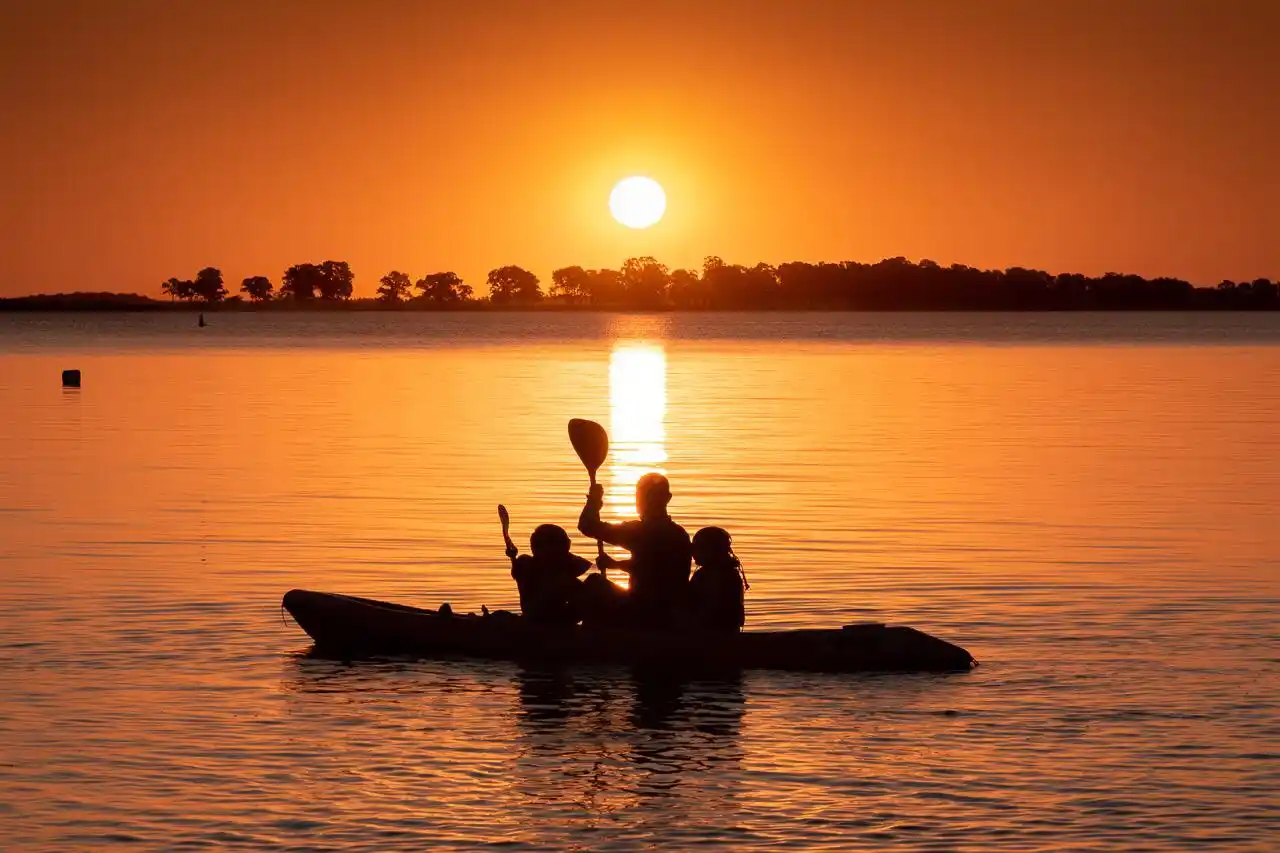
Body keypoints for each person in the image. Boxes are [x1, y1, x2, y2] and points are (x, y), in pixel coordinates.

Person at [578, 472, 692, 628]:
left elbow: (587, 525)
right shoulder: (681, 534)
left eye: (642, 495)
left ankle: (589, 638)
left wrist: (594, 501)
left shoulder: (638, 531)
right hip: (671, 612)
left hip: (643, 610)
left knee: (595, 583)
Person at [506, 523, 593, 626]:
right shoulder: (526, 565)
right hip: (543, 621)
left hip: (557, 621)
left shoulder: (564, 568)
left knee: (592, 584)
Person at [687, 526, 748, 633]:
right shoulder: (732, 574)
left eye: (698, 547)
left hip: (710, 636)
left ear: (712, 549)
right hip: (729, 634)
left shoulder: (706, 576)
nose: (693, 552)